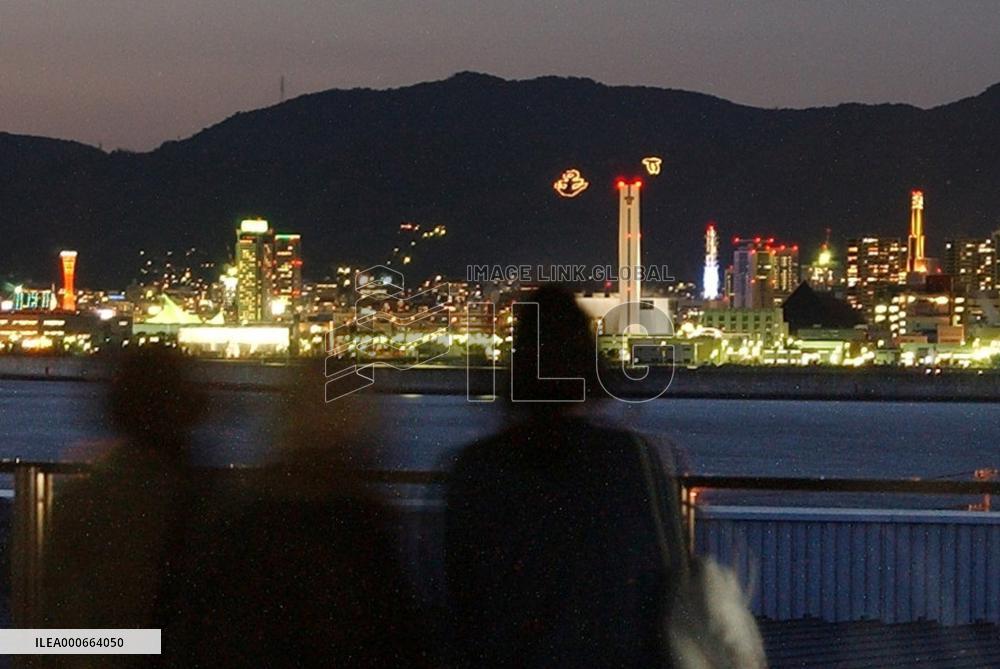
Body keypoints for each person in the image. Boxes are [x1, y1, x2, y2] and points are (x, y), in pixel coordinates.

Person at [445, 285, 684, 668]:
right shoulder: (632, 460)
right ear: (587, 363)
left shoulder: (477, 468)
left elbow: (459, 597)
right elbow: (668, 580)